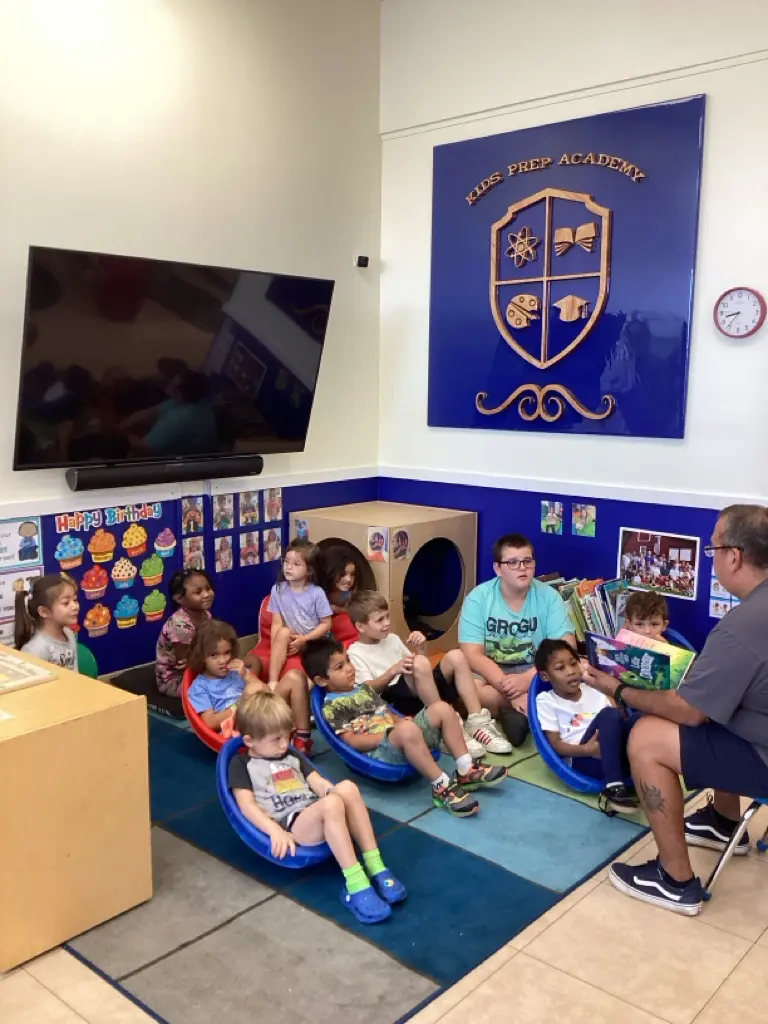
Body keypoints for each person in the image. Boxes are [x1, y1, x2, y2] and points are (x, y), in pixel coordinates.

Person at [585, 505, 768, 916]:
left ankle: (674, 879)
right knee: (723, 710)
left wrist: (619, 687)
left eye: (713, 548)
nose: (713, 556)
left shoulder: (744, 625)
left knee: (647, 736)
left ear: (734, 556)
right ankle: (723, 822)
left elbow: (689, 712)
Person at [229, 690, 406, 924]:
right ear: (249, 740)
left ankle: (376, 866)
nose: (285, 744)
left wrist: (339, 797)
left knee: (347, 788)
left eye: (287, 736)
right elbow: (246, 806)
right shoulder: (241, 763)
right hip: (293, 825)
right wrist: (275, 832)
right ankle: (355, 884)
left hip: (317, 811)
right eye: (276, 739)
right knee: (331, 802)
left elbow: (318, 782)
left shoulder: (291, 755)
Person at [303, 637, 507, 817]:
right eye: (339, 667)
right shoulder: (332, 705)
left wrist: (402, 722)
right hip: (380, 750)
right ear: (321, 680)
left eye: (347, 661)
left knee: (442, 708)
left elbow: (387, 713)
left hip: (400, 737)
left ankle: (466, 769)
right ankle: (441, 787)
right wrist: (391, 733)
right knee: (407, 730)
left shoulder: (363, 689)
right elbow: (351, 741)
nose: (349, 668)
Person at [347, 591, 512, 756]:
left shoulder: (393, 639)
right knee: (418, 663)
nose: (387, 623)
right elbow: (365, 690)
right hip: (395, 700)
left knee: (456, 656)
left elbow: (422, 668)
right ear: (360, 626)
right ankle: (450, 729)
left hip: (420, 691)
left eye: (387, 616)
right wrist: (392, 671)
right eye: (379, 620)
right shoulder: (355, 652)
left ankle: (477, 723)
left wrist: (420, 648)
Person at [459, 533, 575, 746]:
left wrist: (526, 680)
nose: (522, 567)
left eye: (527, 561)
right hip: (491, 674)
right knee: (469, 688)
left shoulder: (549, 597)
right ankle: (523, 707)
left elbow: (566, 646)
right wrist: (510, 690)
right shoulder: (478, 598)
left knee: (572, 676)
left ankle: (512, 711)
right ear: (498, 569)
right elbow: (472, 654)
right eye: (512, 562)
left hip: (536, 671)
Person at [534, 639, 639, 812]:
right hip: (585, 760)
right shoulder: (546, 700)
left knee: (641, 719)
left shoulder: (594, 689)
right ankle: (612, 787)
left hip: (618, 755)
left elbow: (619, 722)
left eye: (573, 664)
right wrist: (587, 750)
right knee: (608, 714)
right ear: (545, 676)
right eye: (560, 668)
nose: (570, 672)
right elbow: (555, 746)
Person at [187, 619, 312, 747]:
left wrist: (246, 675)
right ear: (201, 656)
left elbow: (267, 693)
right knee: (252, 690)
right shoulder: (199, 686)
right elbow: (209, 723)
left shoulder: (235, 671)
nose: (223, 660)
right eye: (214, 655)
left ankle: (302, 740)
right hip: (238, 728)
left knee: (295, 677)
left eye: (227, 653)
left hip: (264, 712)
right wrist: (241, 704)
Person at [268, 539, 333, 685]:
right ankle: (272, 682)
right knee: (283, 632)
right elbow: (276, 622)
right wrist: (276, 646)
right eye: (286, 562)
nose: (288, 567)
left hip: (315, 641)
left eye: (296, 564)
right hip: (294, 638)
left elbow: (326, 624)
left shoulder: (317, 593)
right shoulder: (278, 589)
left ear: (309, 570)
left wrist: (305, 639)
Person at [155, 569, 215, 696]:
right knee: (219, 686)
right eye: (198, 592)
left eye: (208, 588)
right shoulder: (180, 626)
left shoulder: (205, 615)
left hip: (201, 667)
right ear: (179, 598)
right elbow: (187, 665)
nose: (206, 594)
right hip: (175, 680)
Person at [15, 573, 79, 672]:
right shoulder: (35, 649)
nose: (75, 606)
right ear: (44, 612)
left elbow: (76, 674)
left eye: (75, 600)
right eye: (66, 603)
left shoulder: (69, 634)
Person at [320, 545, 357, 615]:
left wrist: (338, 610)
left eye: (352, 574)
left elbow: (355, 612)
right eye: (343, 574)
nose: (349, 579)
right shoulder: (318, 593)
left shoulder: (349, 595)